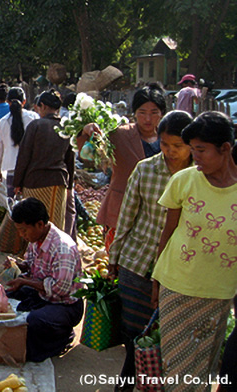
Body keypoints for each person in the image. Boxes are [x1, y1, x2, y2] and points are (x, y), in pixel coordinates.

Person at [151, 111, 237, 390]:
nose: (194, 156)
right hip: (176, 287)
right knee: (177, 371)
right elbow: (168, 231)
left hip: (218, 293)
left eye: (201, 150)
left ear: (225, 149)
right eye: (193, 150)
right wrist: (156, 278)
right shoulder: (184, 181)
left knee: (202, 371)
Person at [107, 111, 193, 388]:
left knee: (168, 337)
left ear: (192, 144)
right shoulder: (145, 169)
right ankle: (126, 383)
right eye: (164, 144)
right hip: (138, 263)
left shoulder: (200, 176)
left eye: (177, 146)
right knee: (135, 335)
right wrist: (114, 258)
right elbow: (127, 218)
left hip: (179, 270)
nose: (169, 151)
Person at [78, 84, 166, 250]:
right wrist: (86, 132)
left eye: (154, 113)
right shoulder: (120, 134)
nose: (148, 119)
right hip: (122, 210)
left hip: (158, 212)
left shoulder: (169, 139)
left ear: (162, 114)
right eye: (142, 113)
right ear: (135, 114)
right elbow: (87, 155)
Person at [5, 198, 84, 362]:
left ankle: (63, 337)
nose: (22, 235)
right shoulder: (36, 240)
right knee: (9, 294)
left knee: (35, 320)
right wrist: (18, 266)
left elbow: (59, 289)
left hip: (65, 304)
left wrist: (26, 282)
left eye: (24, 231)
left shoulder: (63, 248)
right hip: (43, 294)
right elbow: (31, 265)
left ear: (40, 224)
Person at [13, 89, 74, 230]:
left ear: (43, 106)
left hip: (34, 182)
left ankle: (35, 251)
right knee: (55, 225)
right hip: (58, 183)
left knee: (33, 224)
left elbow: (23, 156)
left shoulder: (36, 126)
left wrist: (18, 183)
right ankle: (54, 251)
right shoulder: (67, 127)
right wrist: (69, 185)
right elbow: (70, 160)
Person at [0, 86, 40, 198]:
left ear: (8, 102)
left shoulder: (3, 122)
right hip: (31, 167)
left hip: (10, 167)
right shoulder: (34, 117)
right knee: (30, 202)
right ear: (24, 101)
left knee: (13, 202)